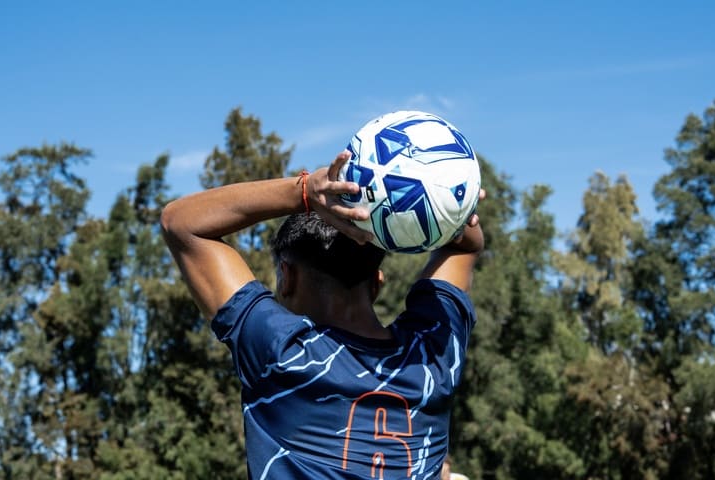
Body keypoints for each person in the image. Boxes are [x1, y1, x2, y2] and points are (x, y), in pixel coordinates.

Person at [161, 149, 485, 479]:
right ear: (377, 284)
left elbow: (181, 222)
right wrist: (450, 202)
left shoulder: (280, 351)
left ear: (287, 277)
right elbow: (466, 245)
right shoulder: (434, 356)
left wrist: (304, 192)